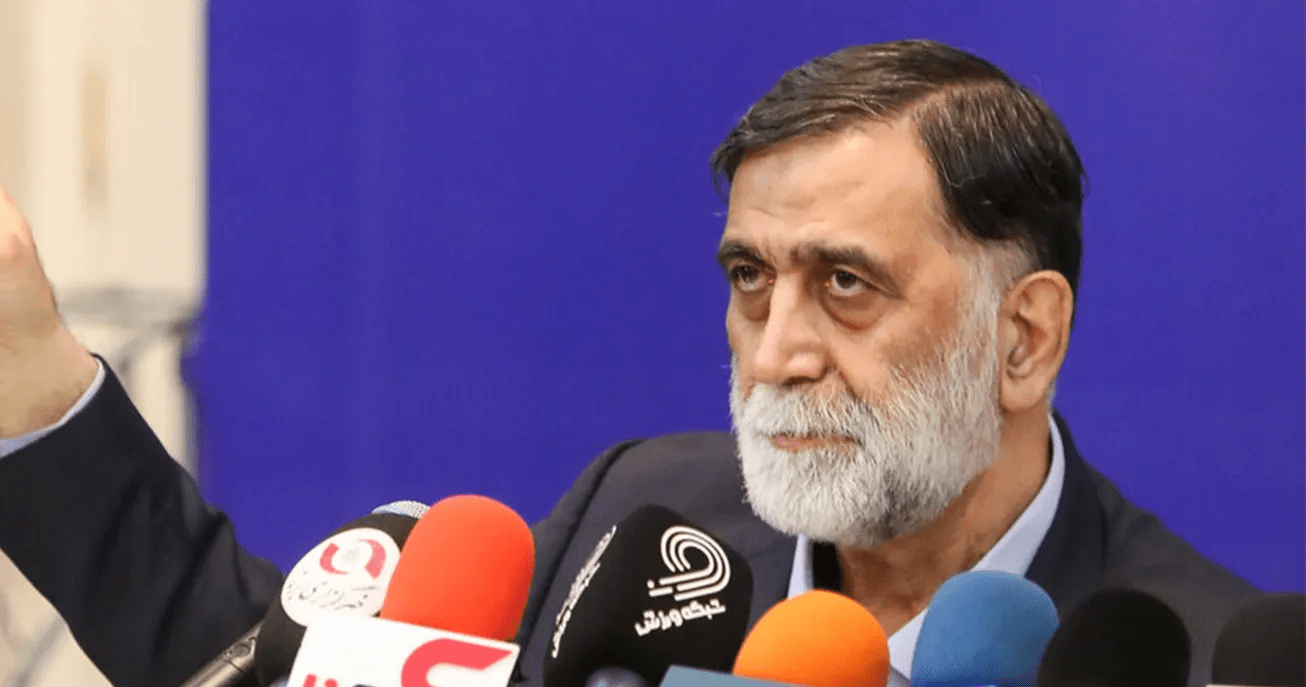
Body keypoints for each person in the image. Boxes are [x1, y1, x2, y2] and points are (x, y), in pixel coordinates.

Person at [0, 40, 1260, 687]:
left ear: (1022, 337)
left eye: (845, 284)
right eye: (749, 278)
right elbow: (269, 672)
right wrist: (36, 389)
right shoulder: (646, 524)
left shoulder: (1194, 656)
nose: (778, 354)